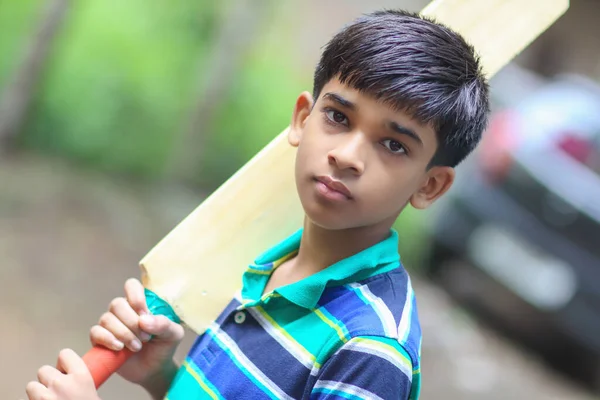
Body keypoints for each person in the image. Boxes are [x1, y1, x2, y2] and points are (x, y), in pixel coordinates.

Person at [25, 9, 489, 400]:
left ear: (429, 186)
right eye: (337, 117)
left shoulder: (371, 346)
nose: (347, 156)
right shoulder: (276, 266)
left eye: (393, 145)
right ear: (302, 119)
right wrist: (164, 377)